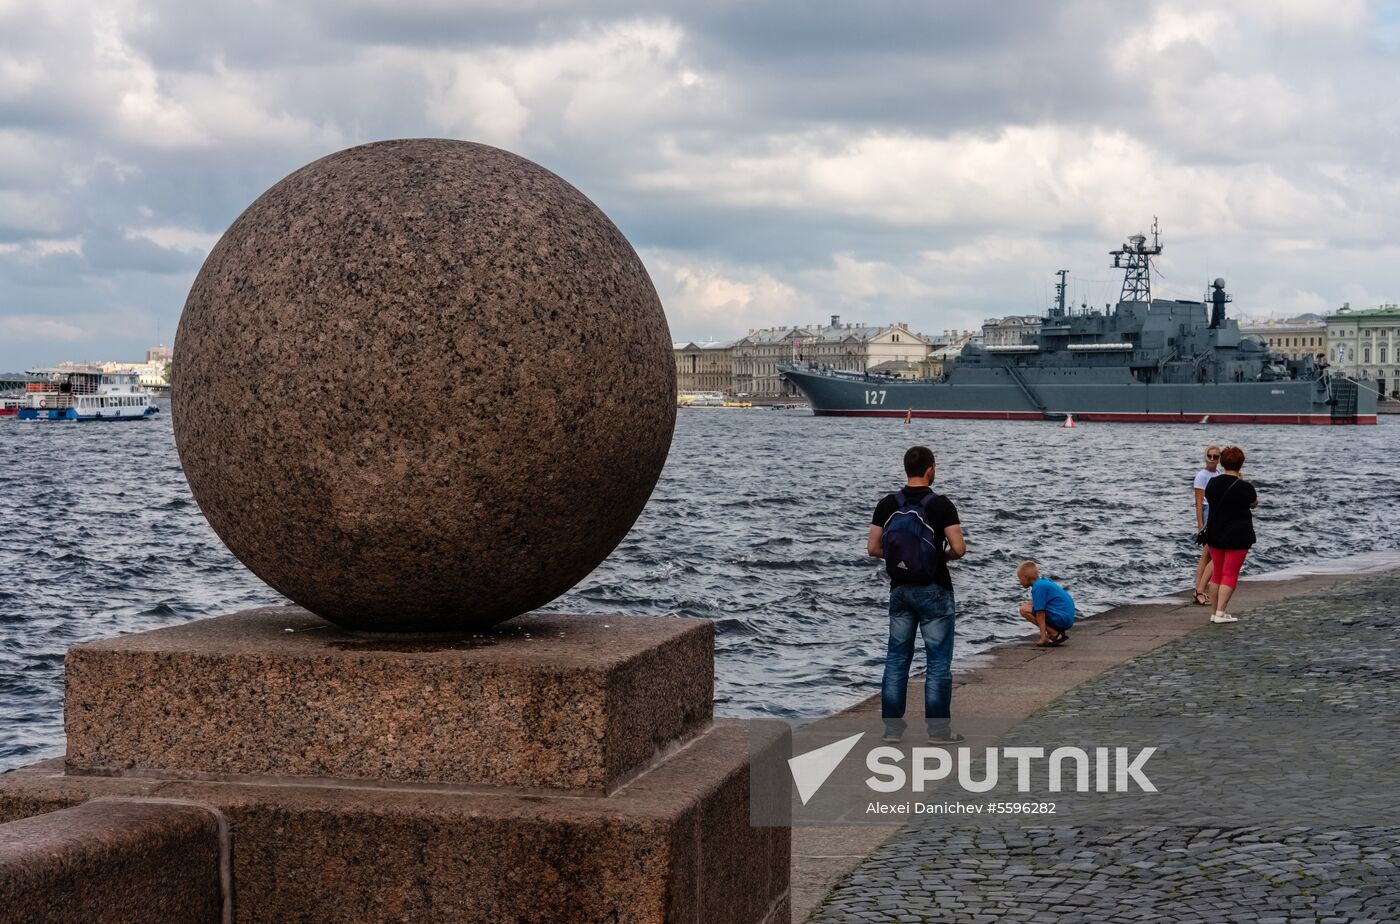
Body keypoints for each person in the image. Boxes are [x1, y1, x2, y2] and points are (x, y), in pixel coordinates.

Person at [868, 446, 966, 743]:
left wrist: (902, 560)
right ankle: (938, 732)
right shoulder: (941, 505)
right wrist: (939, 558)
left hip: (899, 590)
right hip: (934, 589)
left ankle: (892, 731)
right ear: (930, 470)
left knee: (897, 659)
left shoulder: (887, 504)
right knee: (937, 663)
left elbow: (873, 549)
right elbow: (959, 548)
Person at [1204, 446, 1258, 624]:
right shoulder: (1245, 487)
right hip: (1238, 536)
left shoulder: (1212, 483)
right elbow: (1253, 504)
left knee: (1217, 573)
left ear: (1222, 462)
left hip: (1215, 533)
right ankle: (1221, 612)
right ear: (1241, 464)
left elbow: (1210, 499)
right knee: (1230, 573)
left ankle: (1214, 612)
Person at [1016, 560, 1075, 646]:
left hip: (1062, 619)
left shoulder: (1038, 587)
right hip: (1066, 617)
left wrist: (1043, 637)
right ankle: (1055, 632)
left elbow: (1040, 613)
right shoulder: (1042, 583)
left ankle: (1054, 633)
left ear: (1026, 577)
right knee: (1029, 605)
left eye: (1020, 578)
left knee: (1023, 610)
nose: (1020, 582)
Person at [1191, 445, 1222, 605]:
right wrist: (1200, 525)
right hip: (1208, 512)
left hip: (1216, 512)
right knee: (1208, 553)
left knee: (1207, 554)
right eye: (1209, 456)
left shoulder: (1218, 474)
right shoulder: (1201, 476)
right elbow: (1198, 502)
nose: (1211, 459)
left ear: (1219, 459)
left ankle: (1199, 591)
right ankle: (1199, 591)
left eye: (1215, 456)